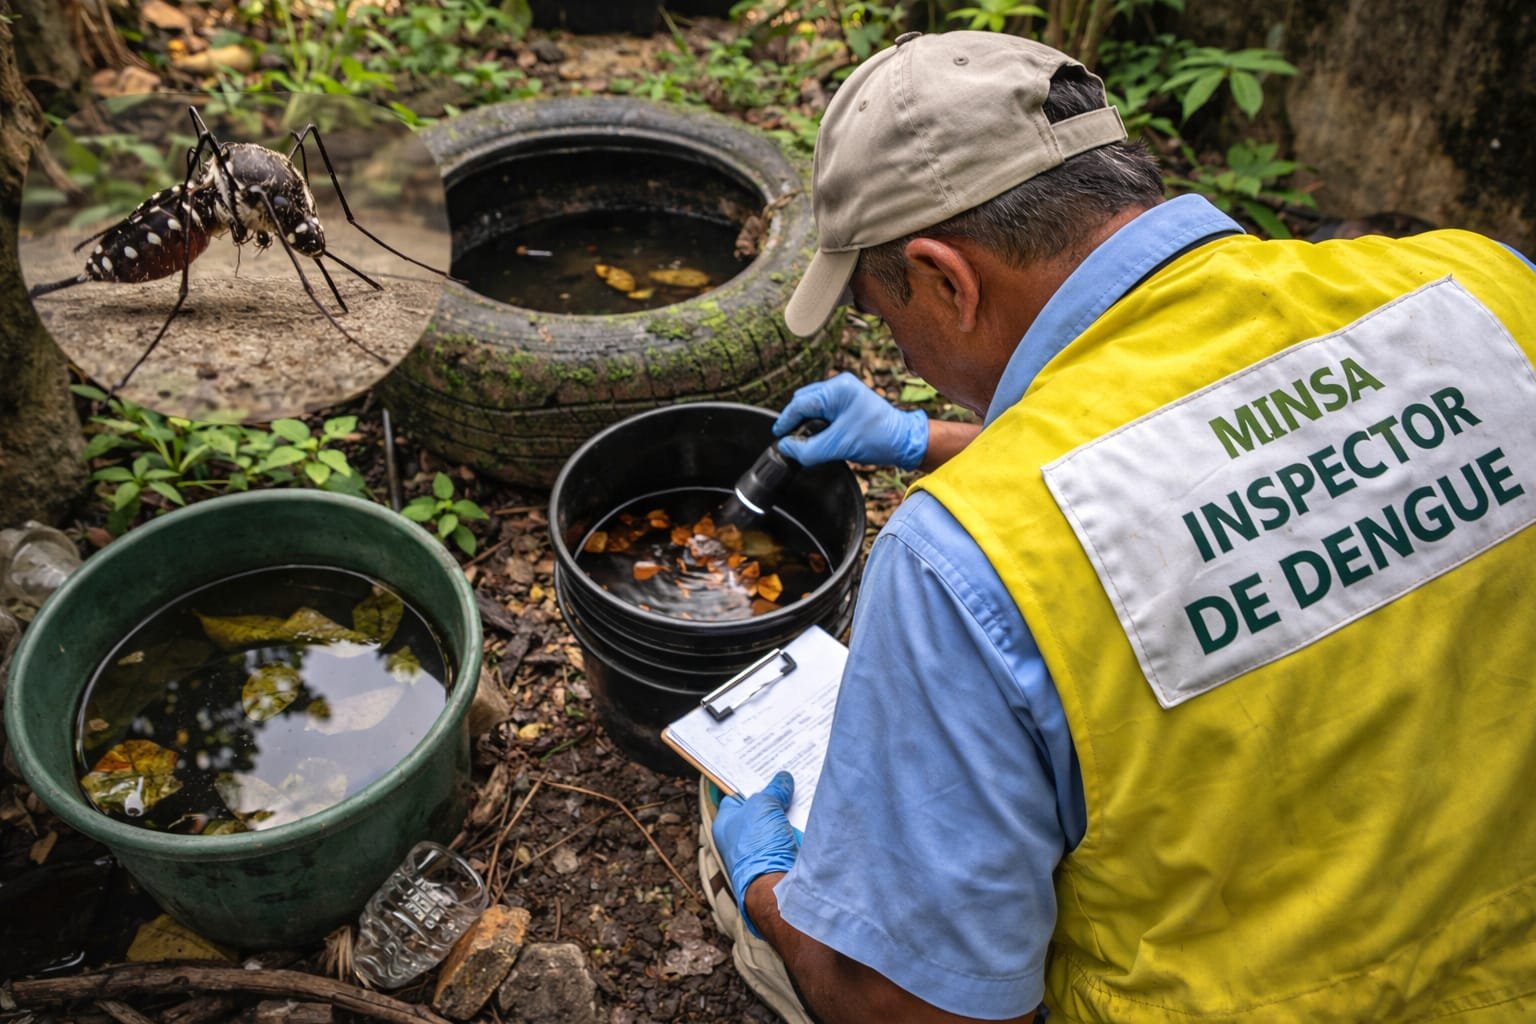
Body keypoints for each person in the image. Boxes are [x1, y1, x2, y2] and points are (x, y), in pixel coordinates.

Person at [699, 28, 1536, 1024]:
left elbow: (908, 1005)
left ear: (948, 280)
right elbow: (1216, 454)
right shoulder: (1489, 290)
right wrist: (924, 436)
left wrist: (768, 888)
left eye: (887, 318)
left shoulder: (956, 561)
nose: (903, 351)